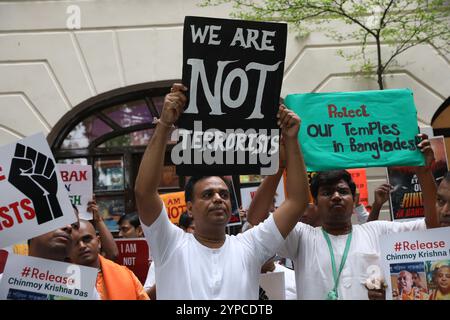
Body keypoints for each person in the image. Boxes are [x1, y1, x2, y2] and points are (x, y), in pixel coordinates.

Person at [134, 83, 310, 299]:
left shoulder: (249, 246)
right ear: (189, 208)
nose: (218, 198)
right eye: (207, 194)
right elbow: (144, 193)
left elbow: (297, 202)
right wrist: (164, 125)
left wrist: (291, 140)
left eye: (224, 194)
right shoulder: (170, 244)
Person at [247, 133, 440, 300]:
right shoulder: (302, 237)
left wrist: (423, 172)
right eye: (327, 192)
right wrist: (279, 167)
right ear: (315, 201)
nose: (336, 196)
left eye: (342, 191)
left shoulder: (377, 231)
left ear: (354, 198)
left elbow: (432, 226)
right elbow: (255, 220)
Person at [70, 220, 149, 300]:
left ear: (99, 242)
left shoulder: (125, 274)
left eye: (86, 239)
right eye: (75, 242)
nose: (82, 246)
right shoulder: (62, 282)